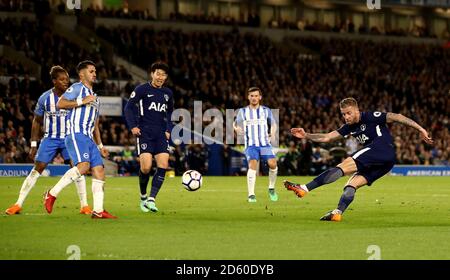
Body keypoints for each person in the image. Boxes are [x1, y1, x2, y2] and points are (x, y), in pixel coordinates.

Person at [284, 97, 433, 221]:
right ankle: (337, 213)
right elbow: (328, 137)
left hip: (380, 149)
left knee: (343, 166)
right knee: (352, 184)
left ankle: (304, 188)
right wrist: (306, 135)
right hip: (386, 162)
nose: (346, 117)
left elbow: (397, 117)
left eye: (349, 113)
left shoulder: (370, 117)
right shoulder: (348, 127)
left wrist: (420, 129)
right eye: (343, 114)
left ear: (357, 110)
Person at [5, 66, 92, 215]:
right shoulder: (45, 98)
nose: (66, 82)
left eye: (67, 79)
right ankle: (18, 204)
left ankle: (84, 206)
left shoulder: (74, 96)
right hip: (50, 138)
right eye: (62, 79)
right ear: (54, 81)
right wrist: (33, 145)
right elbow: (37, 121)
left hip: (69, 138)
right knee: (38, 167)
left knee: (77, 168)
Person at [43, 60, 117, 219]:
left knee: (99, 171)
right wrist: (81, 101)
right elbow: (60, 103)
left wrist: (100, 145)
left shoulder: (95, 97)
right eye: (91, 71)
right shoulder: (77, 88)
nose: (95, 73)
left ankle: (98, 211)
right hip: (76, 134)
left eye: (95, 71)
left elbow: (95, 124)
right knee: (84, 167)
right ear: (82, 74)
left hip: (89, 139)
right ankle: (51, 194)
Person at [124, 62, 174, 213]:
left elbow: (170, 112)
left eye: (163, 75)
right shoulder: (142, 89)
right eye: (158, 74)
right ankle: (143, 197)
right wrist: (133, 126)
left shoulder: (168, 93)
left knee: (163, 165)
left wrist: (168, 129)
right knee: (145, 167)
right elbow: (128, 107)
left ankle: (152, 199)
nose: (160, 77)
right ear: (152, 74)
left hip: (160, 134)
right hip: (144, 132)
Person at [234, 87, 278, 203]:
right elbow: (235, 124)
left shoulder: (266, 110)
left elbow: (273, 124)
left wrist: (272, 133)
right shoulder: (243, 112)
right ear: (248, 97)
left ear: (260, 97)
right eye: (252, 96)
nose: (254, 98)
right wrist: (237, 129)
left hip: (264, 144)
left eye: (256, 96)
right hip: (251, 145)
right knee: (252, 165)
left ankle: (271, 188)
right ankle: (251, 195)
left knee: (273, 164)